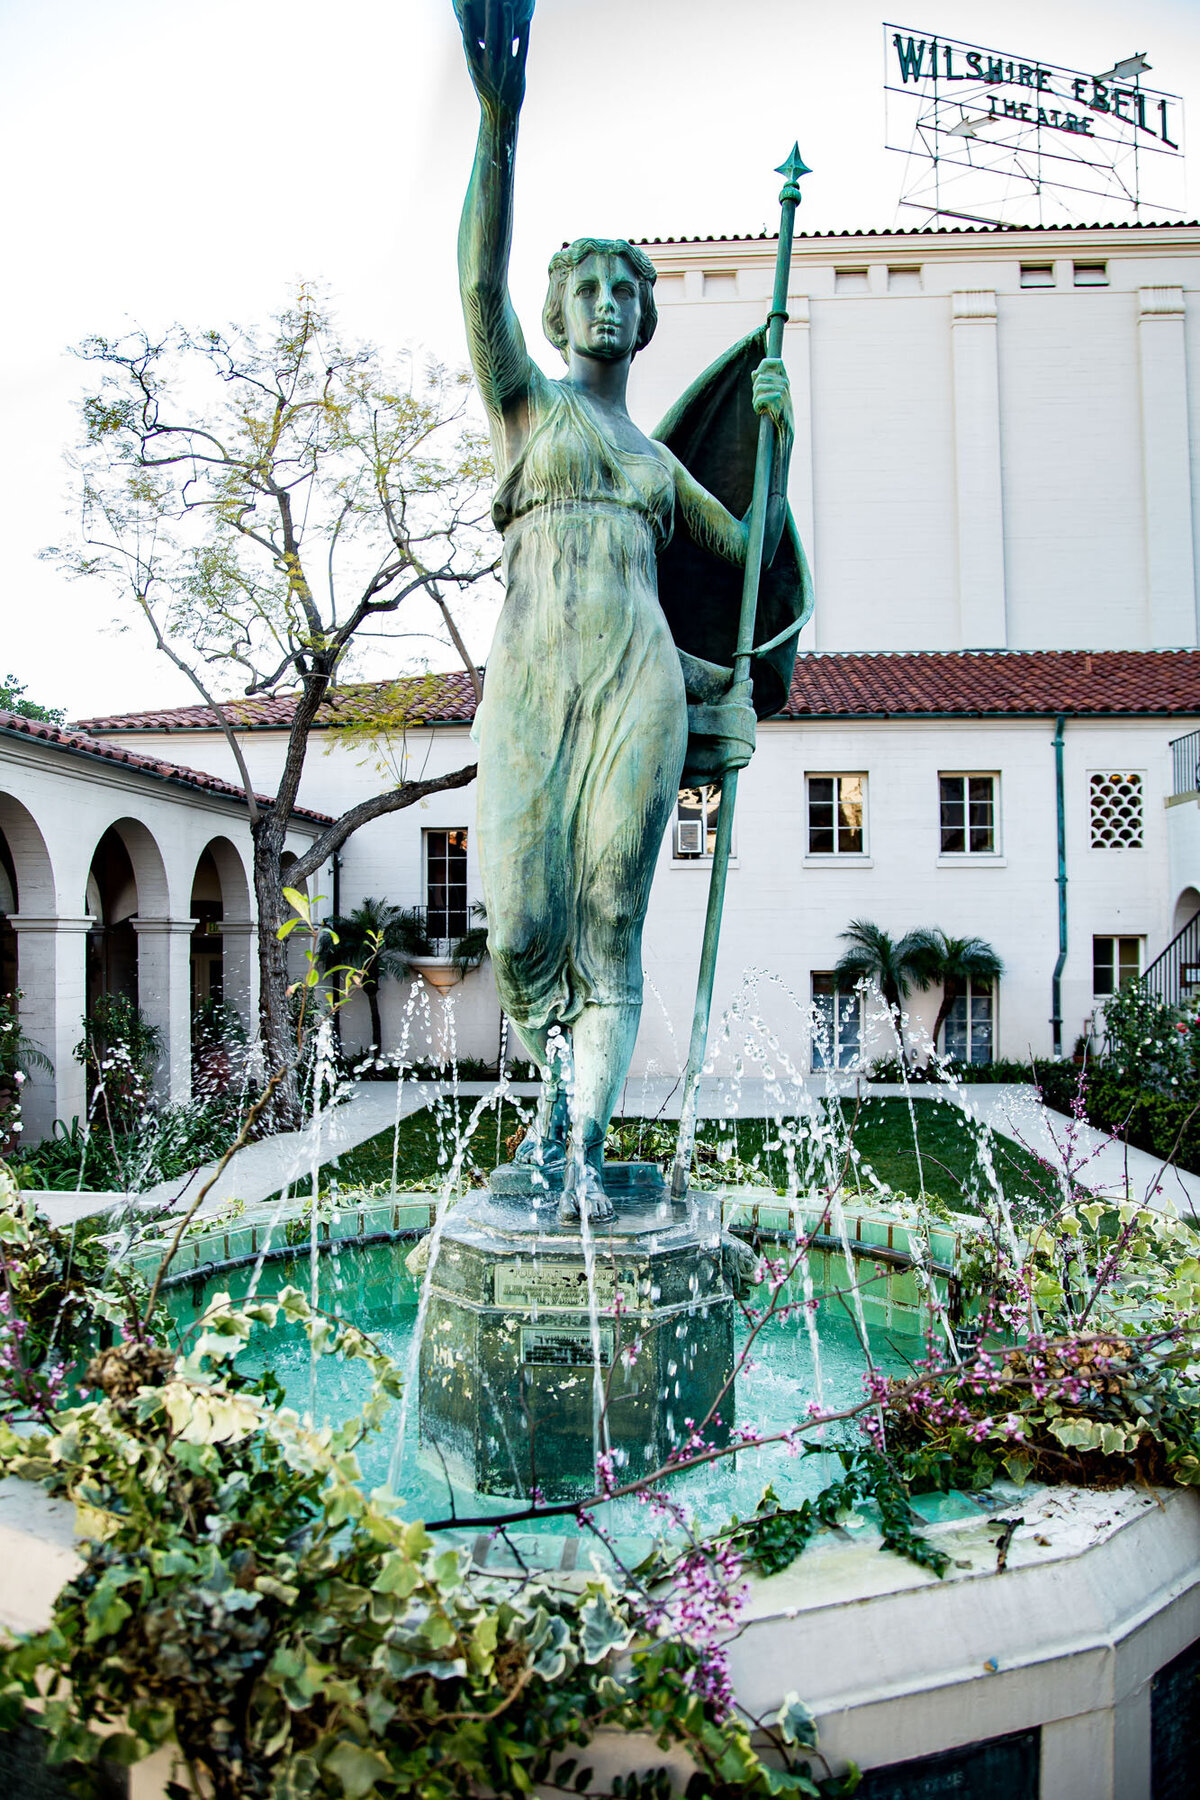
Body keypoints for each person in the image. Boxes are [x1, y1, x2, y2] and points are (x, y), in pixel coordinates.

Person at [454, 0, 795, 1221]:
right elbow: (478, 285)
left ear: (645, 318)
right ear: (560, 315)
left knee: (608, 913)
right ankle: (557, 1120)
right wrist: (499, 131)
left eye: (622, 289)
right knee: (521, 927)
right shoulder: (527, 410)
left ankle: (584, 1151)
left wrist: (779, 433)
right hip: (534, 688)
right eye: (584, 287)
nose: (603, 301)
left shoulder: (659, 469)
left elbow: (753, 551)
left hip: (640, 687)